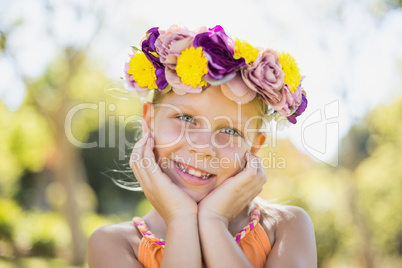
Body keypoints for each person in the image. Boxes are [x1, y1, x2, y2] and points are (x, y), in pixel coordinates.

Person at [87, 25, 316, 268]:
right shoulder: (114, 245)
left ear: (254, 146)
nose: (203, 147)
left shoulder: (286, 227)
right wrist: (180, 218)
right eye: (185, 118)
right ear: (150, 121)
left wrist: (214, 221)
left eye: (230, 131)